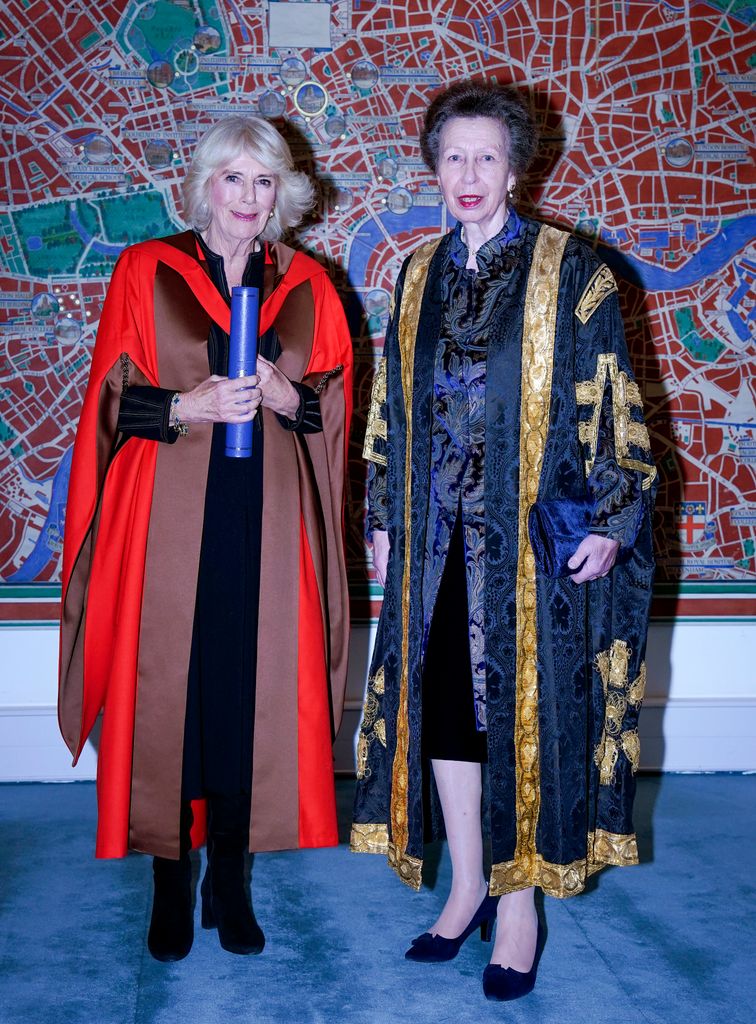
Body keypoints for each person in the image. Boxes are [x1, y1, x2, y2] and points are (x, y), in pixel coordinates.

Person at [352, 80, 656, 1002]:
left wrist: (611, 514)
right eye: (453, 157)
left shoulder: (577, 271)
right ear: (433, 169)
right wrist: (378, 511)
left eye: (488, 156)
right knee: (446, 707)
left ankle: (518, 906)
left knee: (528, 721)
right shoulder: (414, 278)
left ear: (518, 168)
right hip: (434, 539)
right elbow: (386, 408)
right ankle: (469, 886)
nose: (470, 174)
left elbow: (612, 393)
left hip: (530, 548)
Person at [58, 115, 353, 962]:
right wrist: (188, 407)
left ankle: (230, 878)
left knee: (241, 695)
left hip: (266, 524)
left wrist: (283, 395)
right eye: (235, 179)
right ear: (205, 184)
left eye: (266, 183)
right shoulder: (146, 270)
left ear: (283, 194)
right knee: (170, 699)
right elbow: (111, 400)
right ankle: (168, 881)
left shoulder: (308, 284)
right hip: (167, 521)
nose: (250, 199)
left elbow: (331, 404)